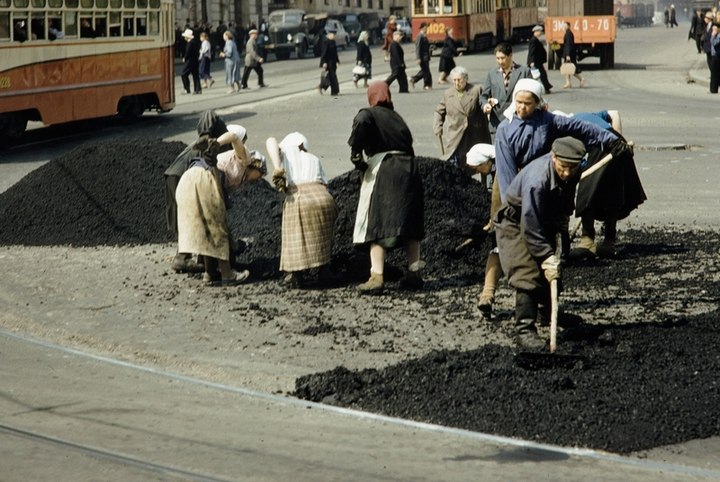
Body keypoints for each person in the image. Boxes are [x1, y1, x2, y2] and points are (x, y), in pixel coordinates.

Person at [495, 137, 587, 349]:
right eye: (563, 167)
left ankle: (547, 313)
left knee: (552, 270)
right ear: (554, 157)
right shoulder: (537, 180)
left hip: (543, 216)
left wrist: (563, 219)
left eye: (572, 168)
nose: (567, 173)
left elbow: (566, 194)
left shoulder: (574, 168)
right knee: (527, 272)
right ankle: (525, 328)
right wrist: (545, 255)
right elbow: (530, 222)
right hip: (516, 221)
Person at [348, 82, 425, 293]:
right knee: (409, 224)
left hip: (387, 170)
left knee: (379, 222)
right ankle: (414, 273)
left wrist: (356, 151)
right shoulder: (397, 118)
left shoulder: (370, 114)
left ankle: (376, 277)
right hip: (409, 170)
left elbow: (361, 120)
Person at [176, 124, 266, 286]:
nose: (259, 179)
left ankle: (210, 273)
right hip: (204, 178)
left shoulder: (236, 176)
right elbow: (233, 136)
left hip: (188, 179)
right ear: (257, 166)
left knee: (207, 227)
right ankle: (227, 274)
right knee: (218, 228)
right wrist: (215, 143)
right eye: (260, 175)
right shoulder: (245, 158)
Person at [565, 110, 646, 259]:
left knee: (587, 191)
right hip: (617, 143)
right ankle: (609, 241)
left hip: (604, 145)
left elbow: (576, 161)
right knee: (611, 191)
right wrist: (618, 139)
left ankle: (587, 241)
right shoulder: (589, 114)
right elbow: (614, 113)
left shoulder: (565, 129)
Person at [266, 133, 338, 287]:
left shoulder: (286, 154)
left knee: (294, 235)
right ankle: (324, 271)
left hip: (300, 196)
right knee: (322, 235)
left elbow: (270, 140)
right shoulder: (314, 158)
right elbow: (325, 184)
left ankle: (295, 275)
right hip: (324, 198)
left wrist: (278, 167)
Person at [165, 110, 231, 274]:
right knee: (193, 216)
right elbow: (216, 184)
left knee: (188, 217)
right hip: (182, 176)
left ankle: (189, 258)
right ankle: (183, 258)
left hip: (173, 175)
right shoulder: (217, 143)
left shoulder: (209, 145)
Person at [465, 144, 502, 318]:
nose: (478, 171)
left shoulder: (502, 168)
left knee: (498, 251)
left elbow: (498, 197)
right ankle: (487, 296)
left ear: (486, 162)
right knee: (497, 250)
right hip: (503, 218)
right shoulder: (497, 166)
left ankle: (487, 295)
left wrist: (493, 223)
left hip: (509, 218)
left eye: (478, 168)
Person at [433, 66, 491, 167]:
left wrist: (486, 106)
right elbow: (438, 111)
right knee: (454, 166)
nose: (456, 83)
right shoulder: (448, 94)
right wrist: (438, 126)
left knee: (477, 165)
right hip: (455, 135)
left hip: (473, 135)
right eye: (454, 80)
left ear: (466, 79)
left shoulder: (476, 90)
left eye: (459, 80)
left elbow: (483, 102)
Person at [480, 42, 533, 135]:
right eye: (497, 58)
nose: (500, 61)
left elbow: (533, 95)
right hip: (497, 124)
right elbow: (483, 96)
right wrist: (485, 105)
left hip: (519, 121)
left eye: (503, 58)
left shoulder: (524, 71)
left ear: (511, 56)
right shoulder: (492, 74)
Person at [527, 25, 553, 94]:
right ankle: (545, 87)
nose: (541, 33)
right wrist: (531, 61)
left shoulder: (535, 39)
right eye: (540, 31)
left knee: (540, 75)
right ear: (536, 32)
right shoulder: (533, 40)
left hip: (537, 61)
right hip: (535, 62)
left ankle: (546, 87)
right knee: (539, 75)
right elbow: (532, 51)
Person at [562, 22, 585, 89]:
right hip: (570, 53)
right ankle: (568, 83)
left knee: (569, 69)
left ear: (569, 26)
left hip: (569, 54)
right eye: (563, 26)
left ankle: (580, 79)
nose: (564, 27)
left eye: (565, 25)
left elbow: (569, 45)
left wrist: (568, 55)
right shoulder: (568, 33)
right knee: (568, 69)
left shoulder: (568, 34)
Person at [410, 22, 432, 90]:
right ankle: (426, 85)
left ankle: (414, 79)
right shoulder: (420, 36)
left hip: (426, 56)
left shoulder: (424, 35)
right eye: (425, 28)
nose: (427, 29)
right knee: (426, 71)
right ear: (422, 28)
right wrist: (418, 58)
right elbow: (418, 47)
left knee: (424, 71)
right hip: (422, 57)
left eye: (427, 28)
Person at [319, 28, 340, 96]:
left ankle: (323, 87)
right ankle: (334, 91)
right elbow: (323, 53)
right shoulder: (326, 42)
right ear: (329, 35)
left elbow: (335, 53)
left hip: (333, 62)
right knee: (332, 77)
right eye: (333, 35)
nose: (334, 36)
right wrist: (324, 62)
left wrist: (337, 61)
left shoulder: (333, 42)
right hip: (328, 62)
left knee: (331, 77)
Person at [181, 28, 202, 95]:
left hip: (190, 61)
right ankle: (198, 89)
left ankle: (187, 89)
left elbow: (188, 52)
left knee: (183, 74)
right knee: (195, 75)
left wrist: (185, 58)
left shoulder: (190, 43)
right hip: (195, 60)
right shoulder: (195, 42)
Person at [710, 22, 720, 94]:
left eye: (714, 29)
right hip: (714, 56)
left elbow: (714, 43)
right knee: (713, 73)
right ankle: (713, 89)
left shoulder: (719, 36)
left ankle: (714, 89)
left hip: (717, 56)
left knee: (716, 73)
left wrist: (713, 35)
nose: (713, 30)